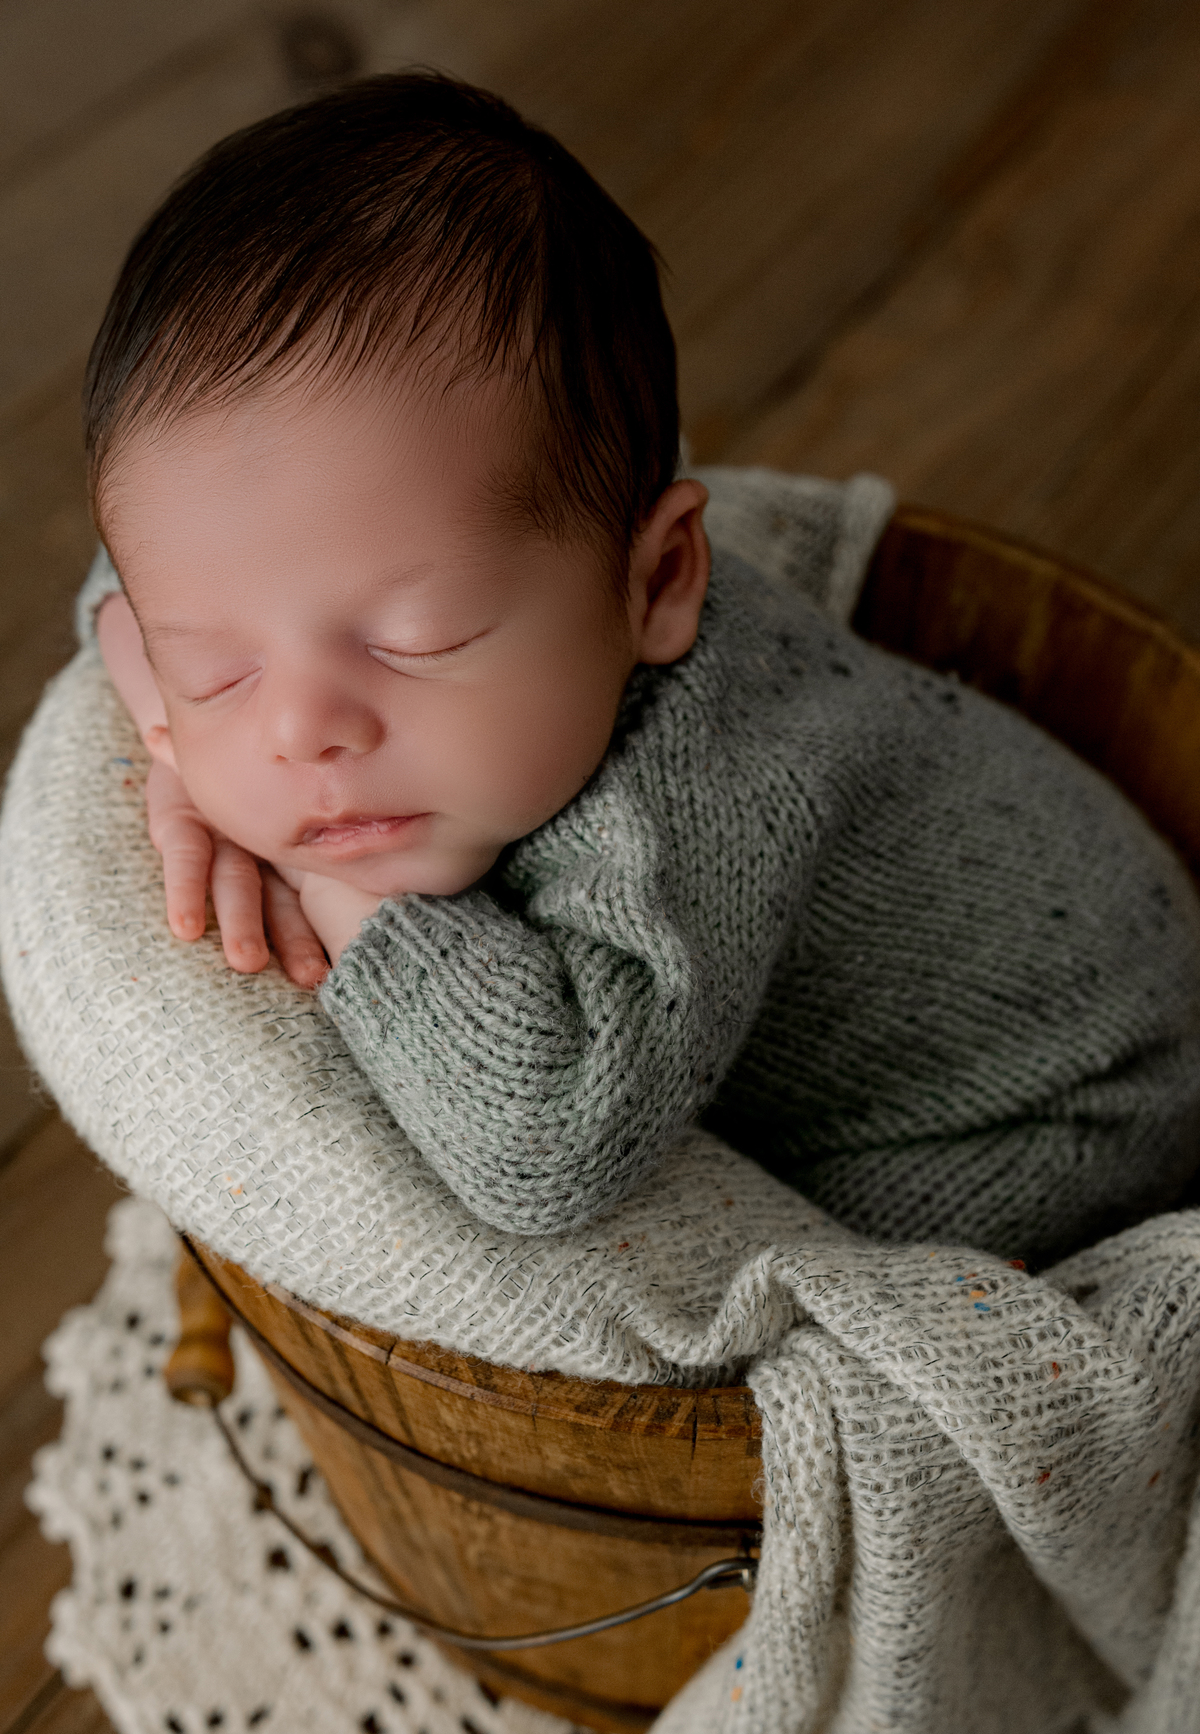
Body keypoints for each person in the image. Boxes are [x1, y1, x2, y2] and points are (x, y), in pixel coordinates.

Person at [83, 71, 1200, 1261]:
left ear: (659, 581)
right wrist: (171, 733)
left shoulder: (698, 796)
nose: (302, 730)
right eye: (215, 669)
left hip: (1056, 1104)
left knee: (791, 1301)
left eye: (421, 639)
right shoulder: (421, 637)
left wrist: (347, 896)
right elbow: (122, 593)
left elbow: (547, 1146)